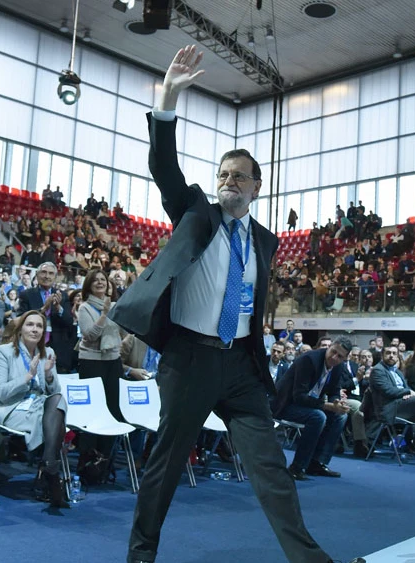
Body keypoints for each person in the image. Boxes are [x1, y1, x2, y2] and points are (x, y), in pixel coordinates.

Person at [109, 46, 363, 563]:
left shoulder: (265, 241)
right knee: (165, 466)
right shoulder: (194, 213)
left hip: (241, 364)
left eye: (238, 177)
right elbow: (163, 165)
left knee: (270, 467)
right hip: (189, 360)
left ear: (256, 187)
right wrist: (169, 97)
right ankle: (140, 557)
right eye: (223, 175)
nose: (228, 182)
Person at [0, 310, 69, 507]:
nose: (35, 329)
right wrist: (27, 377)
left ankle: (49, 463)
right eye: (30, 324)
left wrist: (49, 374)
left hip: (39, 406)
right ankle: (50, 471)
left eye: (39, 326)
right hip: (11, 408)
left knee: (58, 400)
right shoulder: (3, 352)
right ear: (20, 329)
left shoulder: (48, 353)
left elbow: (53, 392)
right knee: (54, 420)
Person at [271, 337, 352, 480]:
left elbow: (334, 391)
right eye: (333, 352)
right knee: (318, 417)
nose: (334, 357)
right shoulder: (309, 359)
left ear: (345, 358)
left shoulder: (338, 366)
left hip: (309, 404)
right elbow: (299, 396)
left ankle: (317, 463)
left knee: (341, 416)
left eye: (340, 356)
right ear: (329, 347)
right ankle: (297, 466)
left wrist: (336, 403)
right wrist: (328, 406)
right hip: (285, 404)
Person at [77, 269, 126, 468]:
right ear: (88, 285)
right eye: (95, 280)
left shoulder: (116, 306)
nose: (100, 283)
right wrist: (105, 314)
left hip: (113, 360)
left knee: (113, 409)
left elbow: (123, 333)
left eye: (103, 280)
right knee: (94, 411)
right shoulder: (85, 308)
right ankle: (88, 460)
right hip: (91, 362)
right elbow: (90, 335)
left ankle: (105, 460)